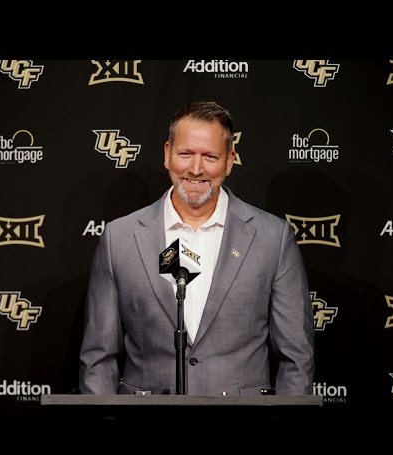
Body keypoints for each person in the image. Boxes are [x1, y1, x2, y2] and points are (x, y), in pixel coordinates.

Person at [79, 100, 315, 396]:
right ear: (167, 154)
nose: (195, 168)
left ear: (230, 160)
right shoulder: (119, 238)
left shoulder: (273, 238)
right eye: (186, 153)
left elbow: (296, 357)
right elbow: (98, 358)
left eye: (210, 156)